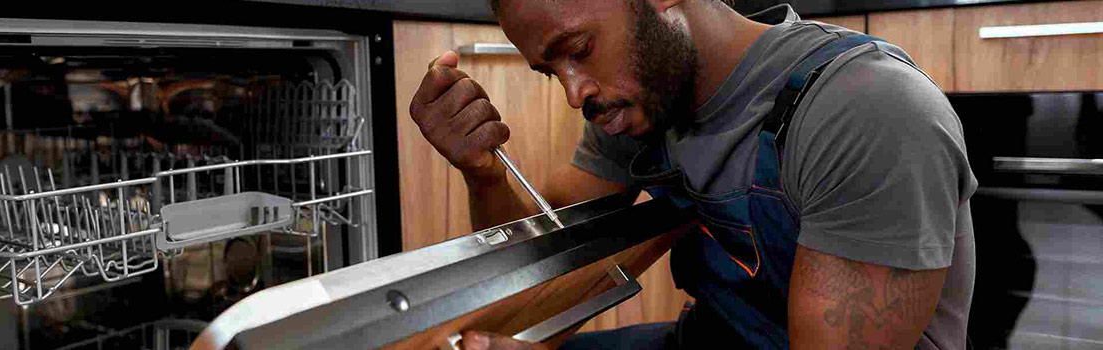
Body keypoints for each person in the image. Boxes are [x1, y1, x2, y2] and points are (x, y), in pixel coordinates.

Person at [407, 0, 977, 349]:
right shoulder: (635, 102)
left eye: (578, 49)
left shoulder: (862, 112)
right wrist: (484, 175)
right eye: (549, 70)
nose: (573, 90)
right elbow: (543, 282)